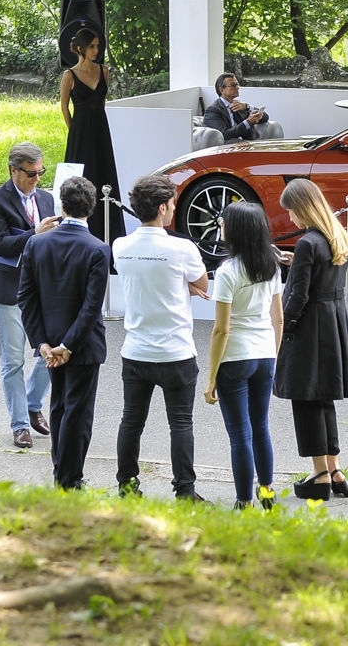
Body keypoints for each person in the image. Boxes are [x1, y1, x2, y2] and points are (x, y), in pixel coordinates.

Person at [113, 175, 210, 501]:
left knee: (131, 422)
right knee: (181, 424)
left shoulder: (120, 246)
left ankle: (127, 486)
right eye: (170, 203)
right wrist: (183, 285)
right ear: (162, 207)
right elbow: (203, 285)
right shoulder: (182, 248)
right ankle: (185, 491)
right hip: (176, 352)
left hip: (136, 350)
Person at [18, 177, 110, 490]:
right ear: (92, 208)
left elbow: (26, 297)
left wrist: (43, 343)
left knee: (58, 407)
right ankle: (70, 478)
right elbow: (91, 306)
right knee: (79, 413)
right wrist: (68, 345)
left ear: (61, 205)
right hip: (81, 345)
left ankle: (61, 470)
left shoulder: (37, 243)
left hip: (50, 340)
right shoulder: (97, 249)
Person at [273, 178, 348, 500]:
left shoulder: (308, 242)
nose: (290, 218)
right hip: (333, 324)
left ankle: (319, 474)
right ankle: (334, 469)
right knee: (324, 399)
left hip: (309, 329)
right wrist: (296, 265)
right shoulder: (337, 236)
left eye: (291, 211)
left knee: (304, 398)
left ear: (302, 207)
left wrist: (282, 329)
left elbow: (298, 296)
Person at [0, 142, 60, 449]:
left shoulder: (48, 198)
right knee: (12, 360)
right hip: (8, 287)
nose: (37, 179)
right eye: (31, 173)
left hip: (43, 288)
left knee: (52, 350)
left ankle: (33, 402)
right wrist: (34, 234)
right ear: (14, 170)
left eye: (41, 172)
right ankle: (20, 424)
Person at [203, 202, 283, 510]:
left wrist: (211, 378)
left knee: (240, 435)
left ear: (234, 231)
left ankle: (244, 501)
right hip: (265, 354)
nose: (220, 227)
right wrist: (273, 356)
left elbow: (221, 329)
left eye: (223, 223)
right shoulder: (271, 265)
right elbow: (278, 319)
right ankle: (267, 493)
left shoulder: (227, 271)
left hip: (235, 356)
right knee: (261, 426)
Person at [60, 27, 124, 244]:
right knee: (82, 176)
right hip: (79, 131)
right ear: (81, 48)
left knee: (104, 175)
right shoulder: (69, 75)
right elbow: (64, 107)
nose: (96, 50)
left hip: (100, 128)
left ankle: (108, 232)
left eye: (97, 46)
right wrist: (74, 130)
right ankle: (77, 232)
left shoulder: (104, 70)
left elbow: (102, 103)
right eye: (91, 46)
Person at [203, 72, 270, 143]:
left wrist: (246, 107)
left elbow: (265, 117)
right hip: (228, 147)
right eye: (232, 85)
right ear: (221, 90)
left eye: (237, 84)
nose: (237, 87)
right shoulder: (213, 110)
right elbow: (225, 135)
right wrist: (248, 122)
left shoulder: (239, 106)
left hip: (247, 143)